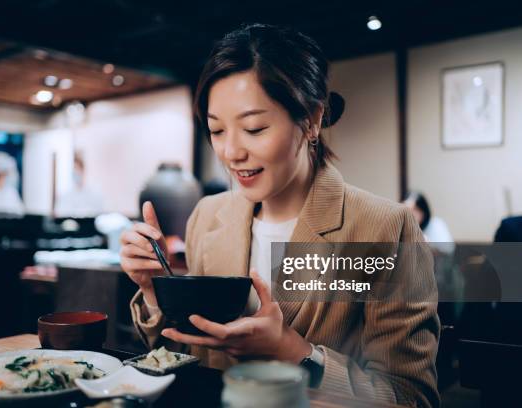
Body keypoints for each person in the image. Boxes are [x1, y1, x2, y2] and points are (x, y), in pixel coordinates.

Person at [120, 24, 439, 407]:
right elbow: (181, 355)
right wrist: (157, 291)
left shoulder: (384, 228)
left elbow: (410, 396)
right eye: (216, 130)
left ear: (312, 119)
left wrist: (294, 351)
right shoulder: (207, 217)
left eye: (254, 128)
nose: (231, 152)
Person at [55, 153, 104, 218]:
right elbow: (61, 213)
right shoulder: (65, 194)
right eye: (73, 170)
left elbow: (99, 213)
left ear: (83, 170)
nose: (75, 172)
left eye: (77, 169)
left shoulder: (94, 193)